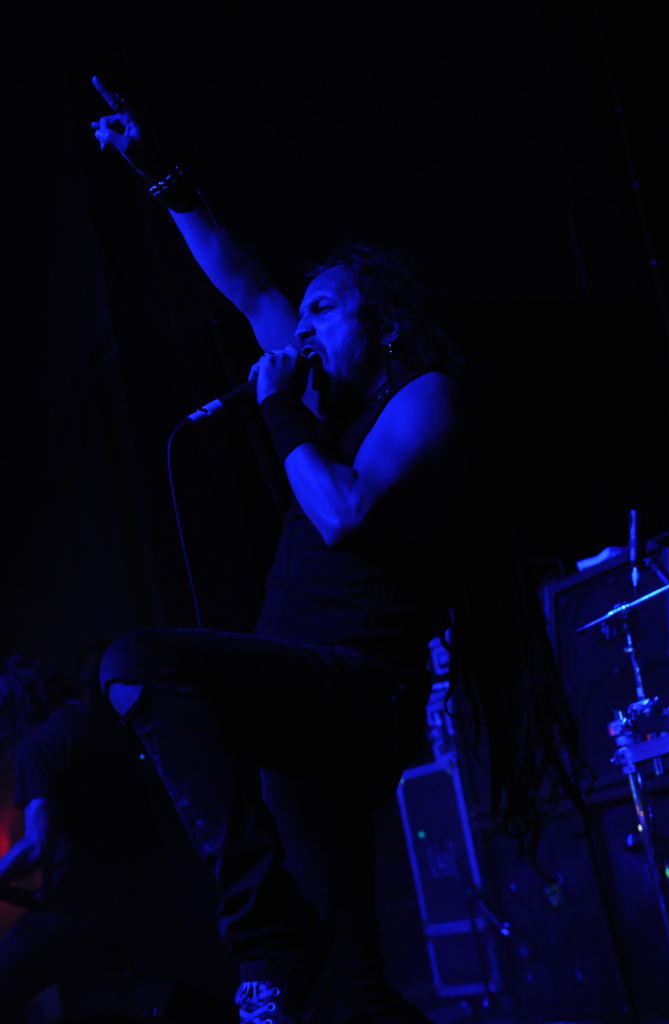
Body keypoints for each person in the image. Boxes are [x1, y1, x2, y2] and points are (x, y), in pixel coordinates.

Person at [91, 76, 587, 1024]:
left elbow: (344, 514)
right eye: (306, 314)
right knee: (350, 980)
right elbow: (248, 282)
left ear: (384, 322)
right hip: (297, 683)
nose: (305, 328)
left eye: (327, 310)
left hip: (352, 685)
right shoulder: (322, 397)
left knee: (137, 660)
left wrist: (280, 409)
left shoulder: (427, 397)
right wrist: (156, 169)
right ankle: (309, 953)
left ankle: (264, 927)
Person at [0, 651, 237, 1022]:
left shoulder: (39, 747)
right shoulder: (101, 726)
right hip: (147, 896)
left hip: (79, 904)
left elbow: (36, 845)